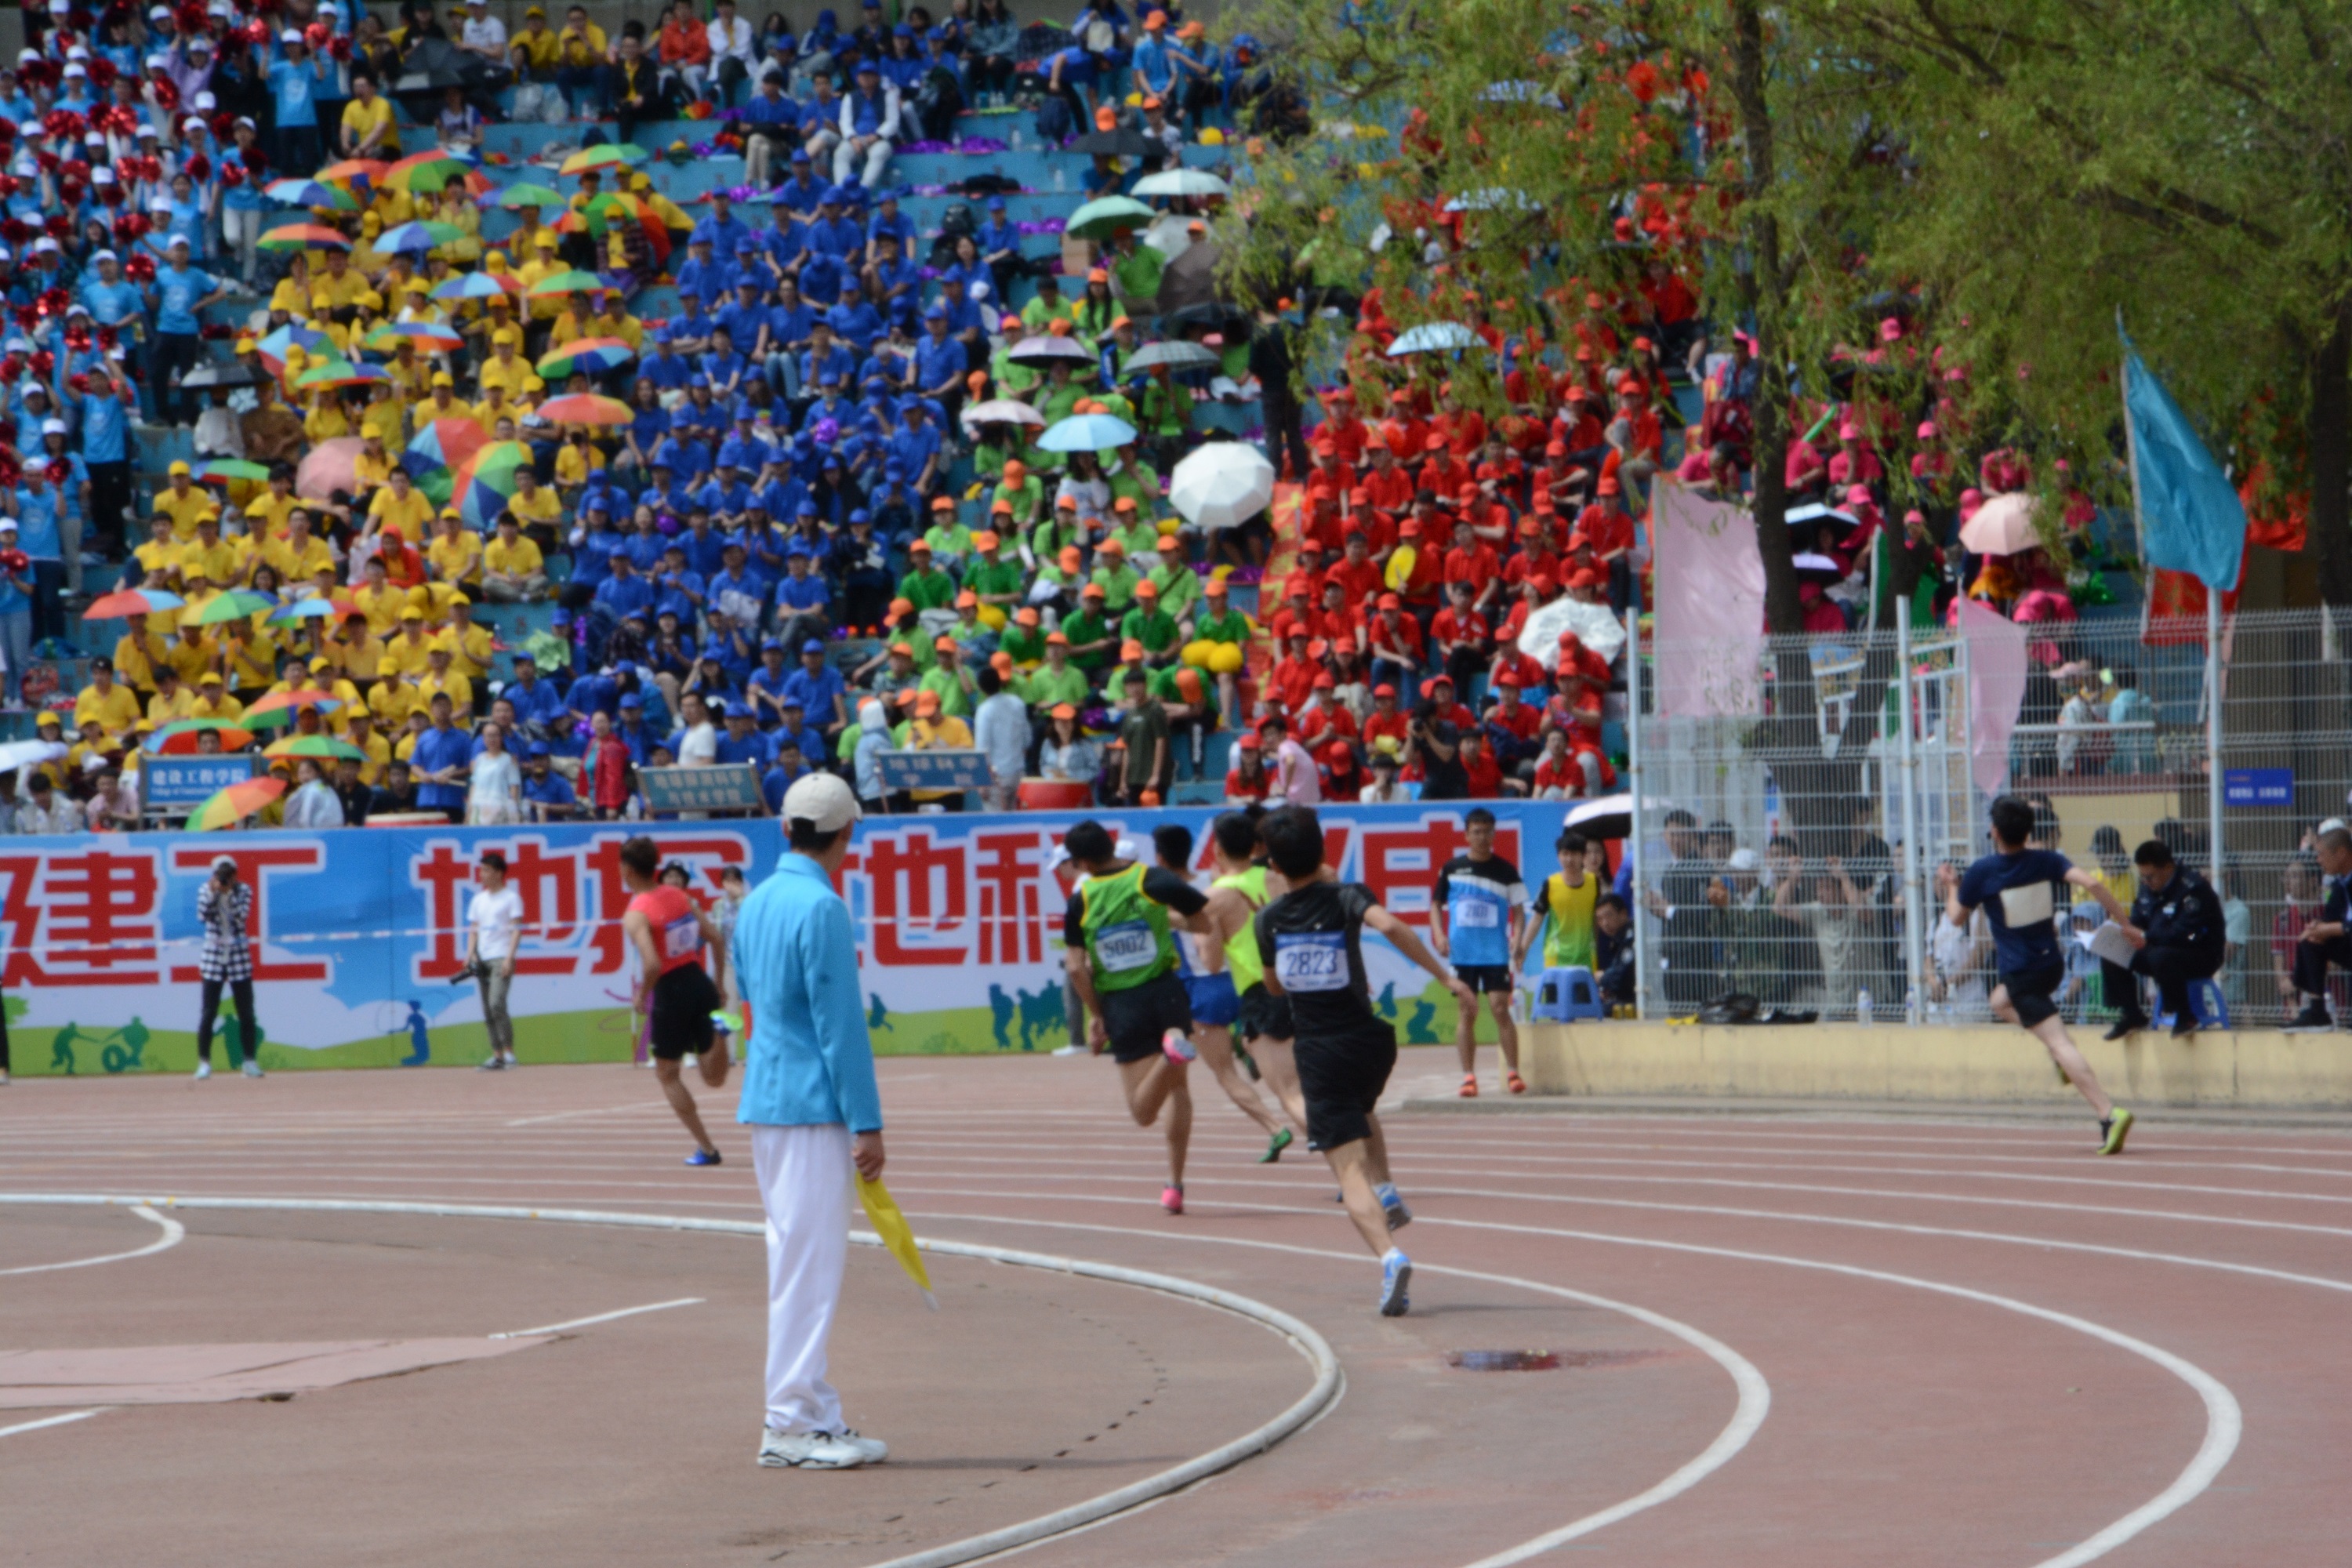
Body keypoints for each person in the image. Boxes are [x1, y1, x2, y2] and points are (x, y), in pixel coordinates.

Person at [1254, 805, 1475, 1316]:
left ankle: (1390, 1257)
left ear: (1275, 866)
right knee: (1361, 1108)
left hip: (1321, 1051)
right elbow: (1391, 926)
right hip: (1372, 1044)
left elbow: (1273, 986)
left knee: (1346, 1170)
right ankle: (1388, 1189)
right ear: (1323, 851)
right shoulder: (1348, 895)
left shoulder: (1268, 921)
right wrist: (1446, 977)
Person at [735, 772, 889, 1471]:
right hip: (811, 1107)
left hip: (769, 1101)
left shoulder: (755, 901)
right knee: (808, 1267)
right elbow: (840, 1025)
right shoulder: (822, 907)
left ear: (785, 827)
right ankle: (790, 1422)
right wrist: (867, 1121)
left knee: (796, 1258)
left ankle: (815, 1413)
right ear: (847, 833)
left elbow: (748, 994)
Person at [1952, 795, 2137, 1155]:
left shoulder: (1983, 871)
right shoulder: (2047, 860)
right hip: (2052, 965)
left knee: (2059, 1043)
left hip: (2022, 974)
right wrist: (2125, 925)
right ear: (2029, 831)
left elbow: (1956, 917)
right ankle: (2061, 1054)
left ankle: (2108, 1113)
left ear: (1994, 831)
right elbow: (2094, 884)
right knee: (1998, 1001)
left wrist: (1949, 885)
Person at [1062, 818, 1213, 1213]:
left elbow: (1075, 967)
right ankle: (1174, 1183)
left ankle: (1170, 1055)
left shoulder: (1081, 900)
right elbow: (1203, 921)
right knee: (1178, 1092)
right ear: (1111, 845)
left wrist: (1096, 1014)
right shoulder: (1153, 879)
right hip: (1167, 994)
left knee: (1143, 1112)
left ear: (1081, 863)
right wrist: (1161, 917)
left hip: (1123, 1003)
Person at [1156, 822, 1296, 1161]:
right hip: (1241, 980)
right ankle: (1246, 1043)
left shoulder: (1161, 893)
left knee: (1225, 1074)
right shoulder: (1212, 880)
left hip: (1204, 986)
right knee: (1260, 1038)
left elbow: (1197, 946)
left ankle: (1274, 1127)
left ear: (1159, 858)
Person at [619, 834, 734, 1164]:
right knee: (714, 1078)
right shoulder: (680, 896)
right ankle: (720, 1032)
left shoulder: (636, 914)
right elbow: (715, 938)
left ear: (627, 870)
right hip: (699, 982)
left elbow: (653, 964)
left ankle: (707, 1149)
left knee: (668, 1074)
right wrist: (717, 982)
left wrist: (642, 994)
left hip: (671, 992)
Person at [1432, 808, 1528, 1098]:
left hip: (1495, 953)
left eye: (1487, 832)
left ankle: (1513, 1072)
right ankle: (1468, 1077)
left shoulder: (1506, 871)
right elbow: (1435, 905)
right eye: (1476, 832)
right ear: (1466, 835)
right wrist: (1439, 934)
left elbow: (1519, 911)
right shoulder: (1452, 869)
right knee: (1467, 1012)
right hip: (1463, 954)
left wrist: (1517, 937)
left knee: (1500, 1008)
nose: (1482, 837)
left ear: (1494, 834)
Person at [2103, 839, 2226, 1040]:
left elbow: (2185, 933)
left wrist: (2146, 936)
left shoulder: (2194, 888)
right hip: (2158, 950)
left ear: (2168, 868)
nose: (2146, 882)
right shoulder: (2147, 888)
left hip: (2199, 953)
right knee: (2112, 951)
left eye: (2150, 877)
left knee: (2162, 956)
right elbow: (2139, 919)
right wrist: (2128, 933)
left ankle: (2186, 1016)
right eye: (2143, 877)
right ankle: (2131, 1014)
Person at [194, 855, 264, 1081]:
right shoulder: (205, 889)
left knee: (246, 1012)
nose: (225, 879)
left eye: (229, 874)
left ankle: (249, 1062)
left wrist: (229, 894)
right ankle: (204, 1063)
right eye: (221, 874)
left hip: (238, 957)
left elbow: (241, 917)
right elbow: (202, 916)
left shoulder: (244, 890)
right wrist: (215, 893)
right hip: (213, 957)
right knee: (208, 1012)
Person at [2285, 826, 2352, 1032]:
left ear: (2341, 853)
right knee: (2311, 940)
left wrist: (2328, 929)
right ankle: (2317, 1012)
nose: (2318, 860)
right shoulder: (2340, 883)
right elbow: (2330, 917)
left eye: (2322, 854)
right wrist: (2316, 927)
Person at [467, 849, 527, 1070]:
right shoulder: (478, 900)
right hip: (482, 958)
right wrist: (470, 954)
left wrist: (510, 958)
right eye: (481, 870)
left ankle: (509, 1052)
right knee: (487, 1009)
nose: (482, 874)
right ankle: (497, 1055)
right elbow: (473, 929)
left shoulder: (511, 898)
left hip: (501, 955)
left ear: (499, 873)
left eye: (486, 870)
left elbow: (516, 930)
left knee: (496, 1003)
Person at [1516, 827, 1599, 981]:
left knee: (1586, 997)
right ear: (1558, 856)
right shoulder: (1551, 884)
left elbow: (1596, 919)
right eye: (1565, 854)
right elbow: (1537, 919)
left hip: (1586, 957)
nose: (1569, 859)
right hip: (1557, 958)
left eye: (1574, 854)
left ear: (1583, 856)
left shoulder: (1594, 883)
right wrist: (1523, 949)